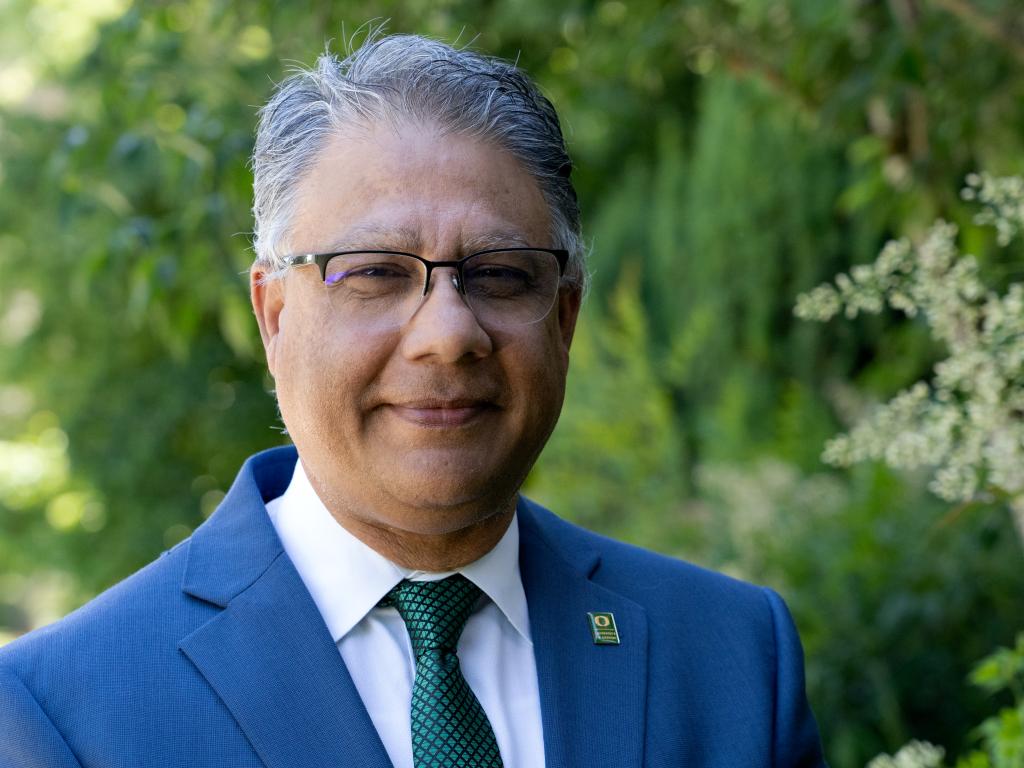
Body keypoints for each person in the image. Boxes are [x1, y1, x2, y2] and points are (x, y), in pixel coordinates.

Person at [0, 33, 826, 767]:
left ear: (565, 318)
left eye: (501, 274)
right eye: (375, 273)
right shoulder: (65, 711)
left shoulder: (731, 658)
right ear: (275, 317)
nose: (448, 334)